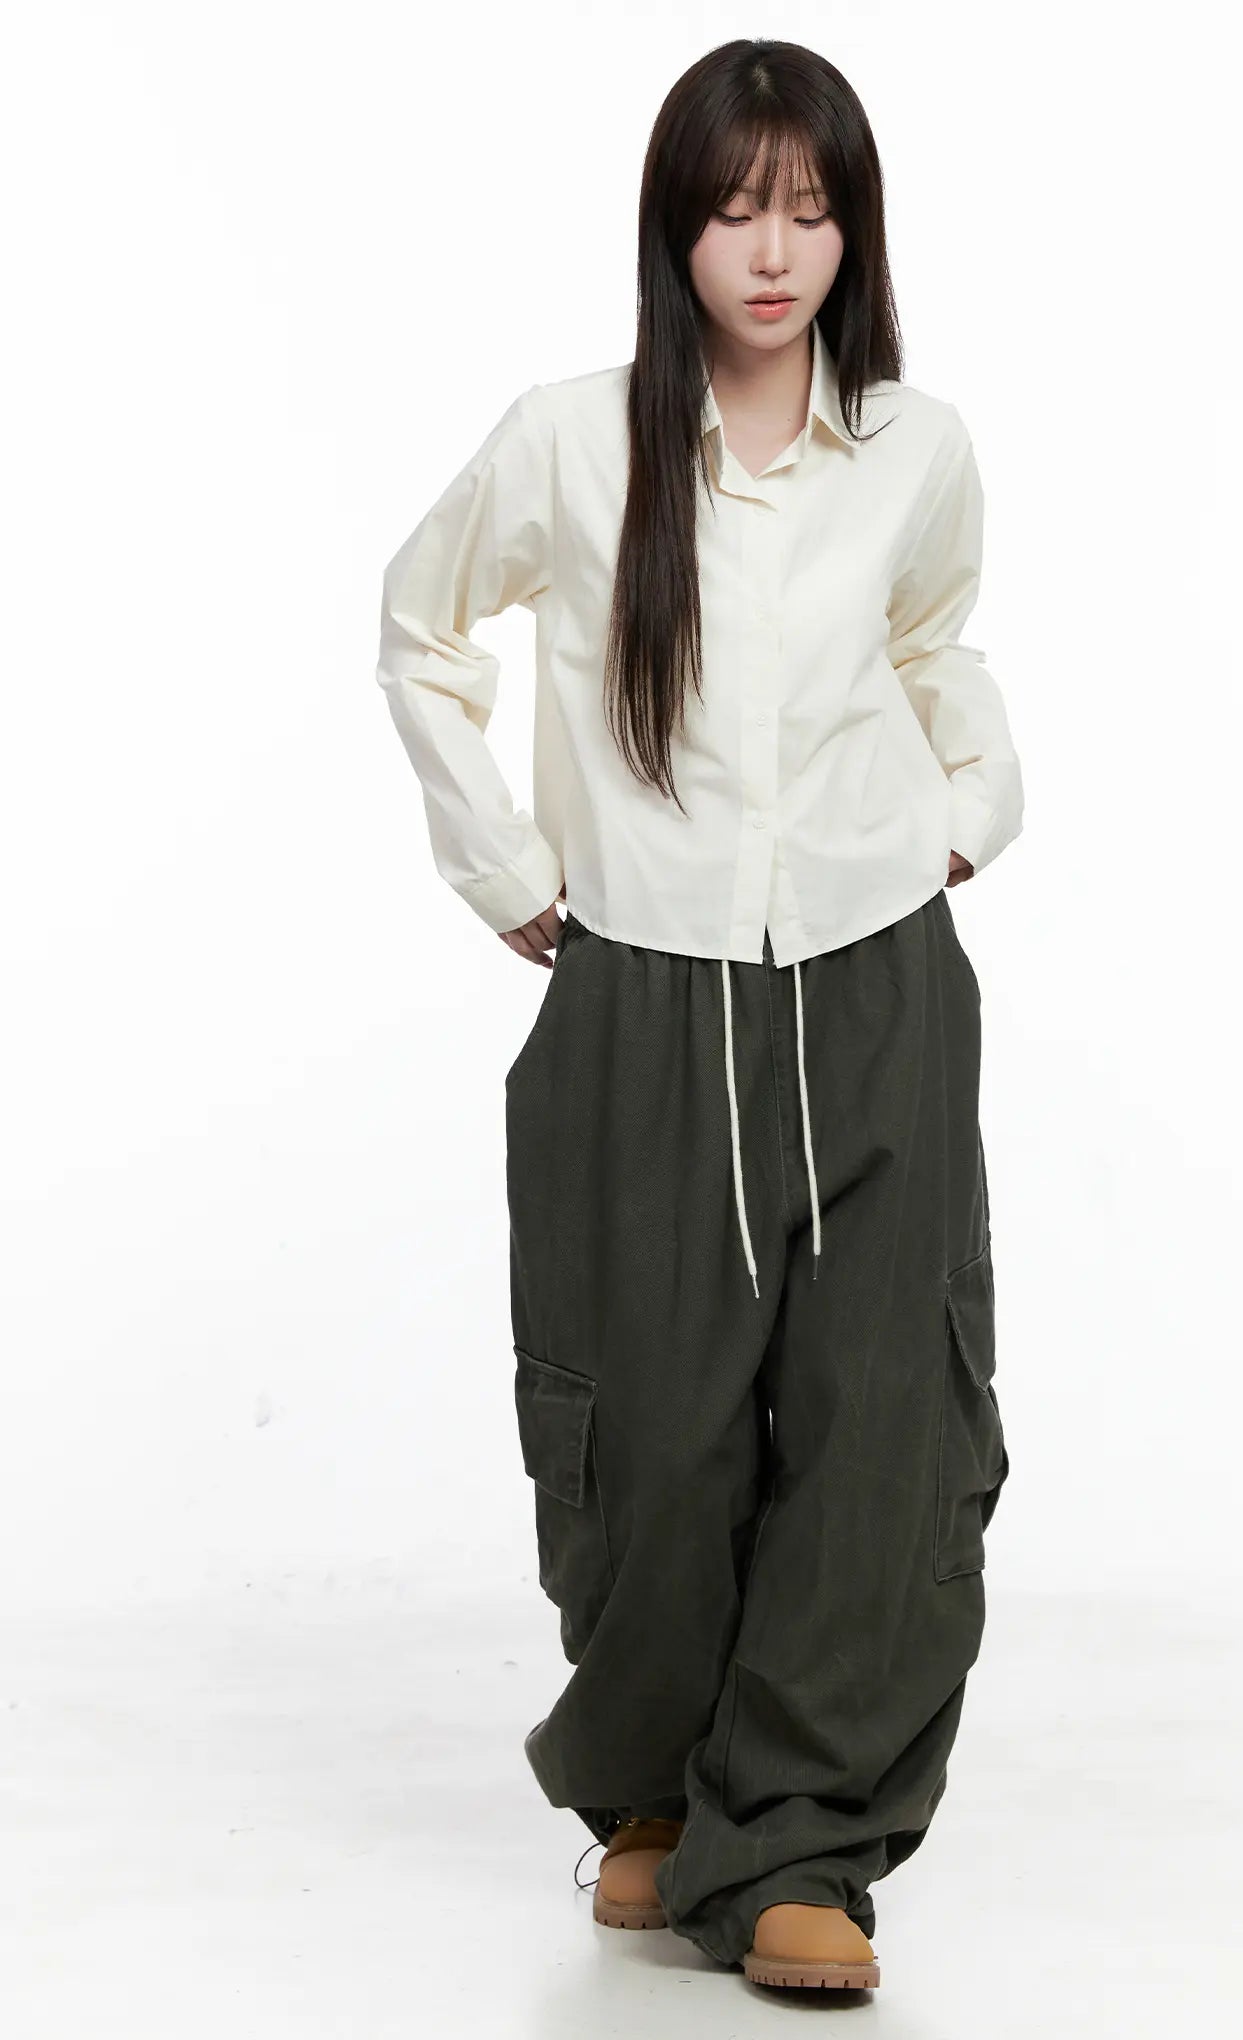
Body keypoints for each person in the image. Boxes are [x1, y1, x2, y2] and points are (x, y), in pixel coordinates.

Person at [374, 37, 1023, 1995]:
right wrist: (504, 866)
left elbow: (934, 642)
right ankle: (655, 1799)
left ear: (854, 233)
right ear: (676, 227)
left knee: (881, 1419)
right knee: (645, 1426)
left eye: (810, 211)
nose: (773, 251)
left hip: (873, 978)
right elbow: (419, 626)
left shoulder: (914, 448)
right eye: (737, 208)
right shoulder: (569, 442)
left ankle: (802, 1842)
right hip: (638, 994)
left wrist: (968, 813)